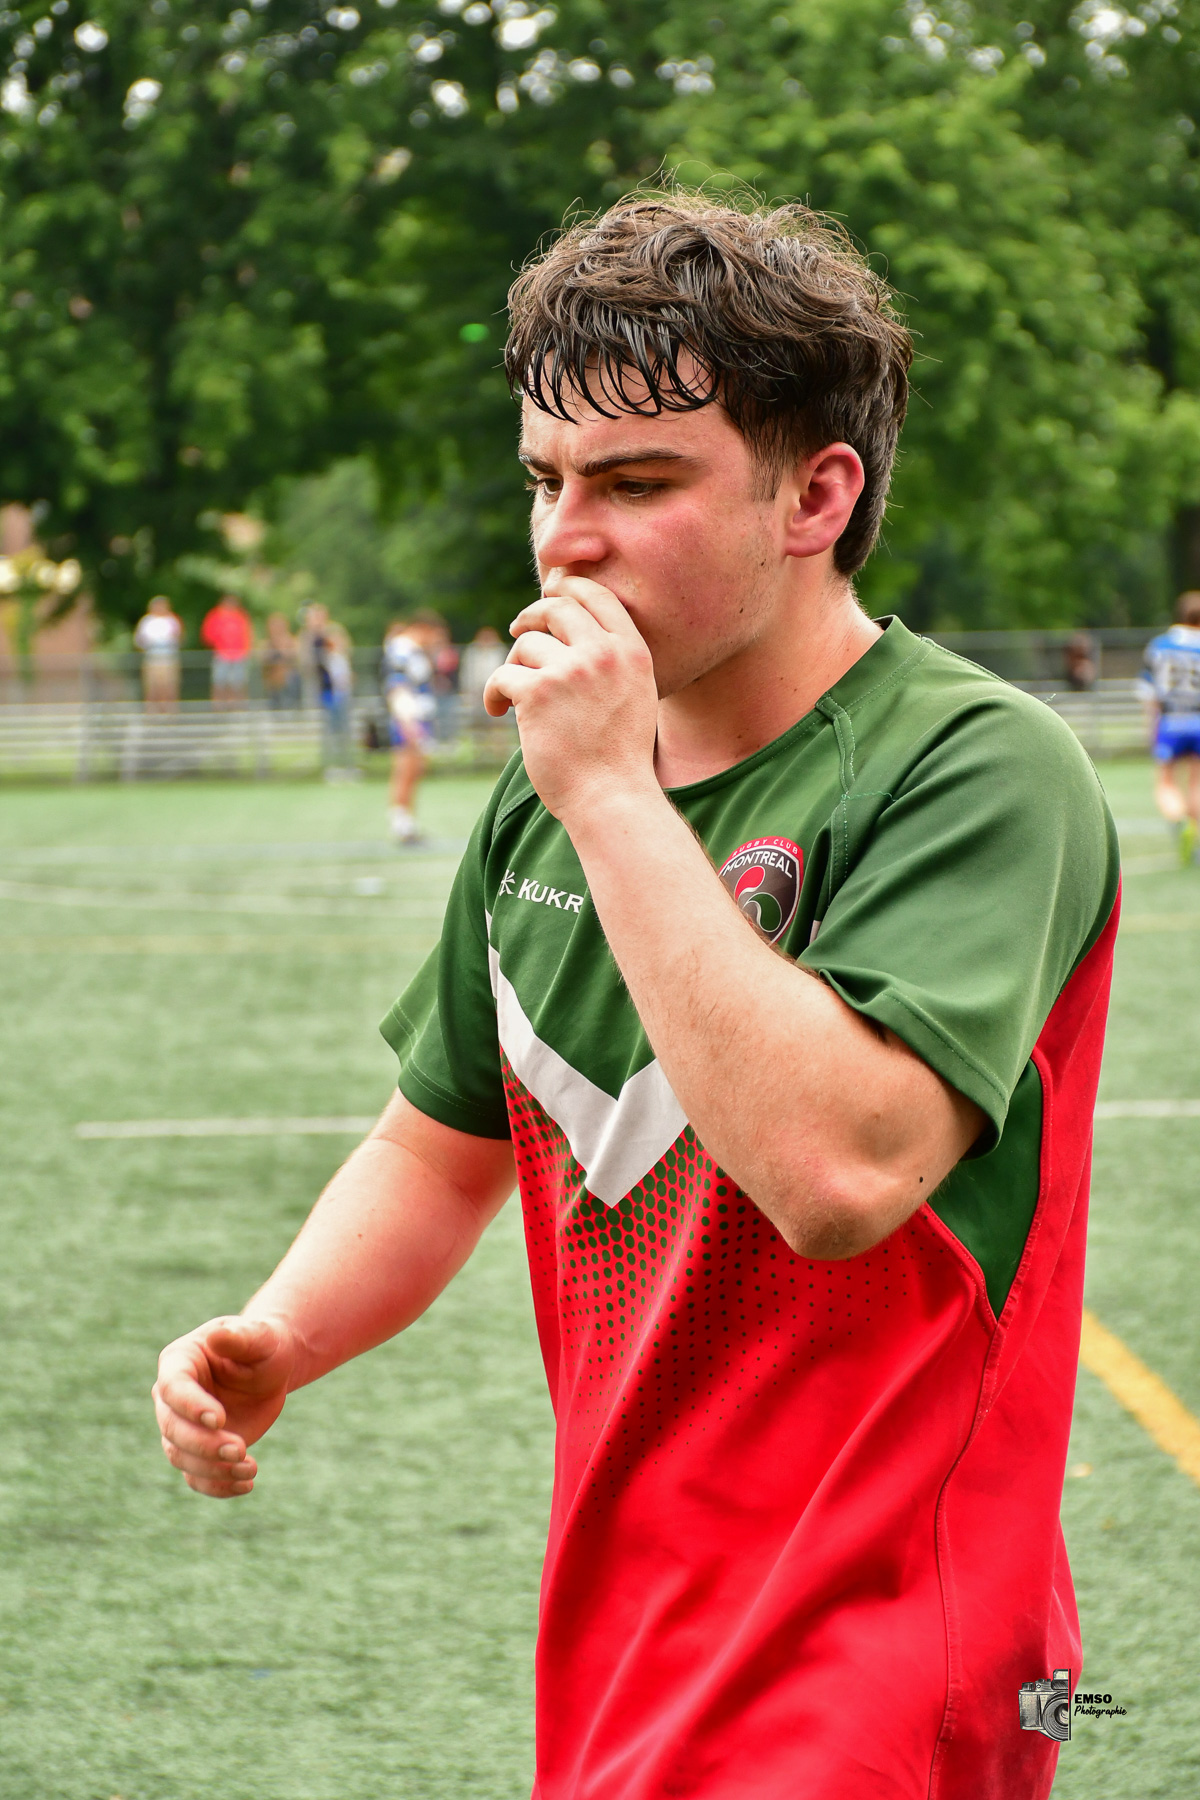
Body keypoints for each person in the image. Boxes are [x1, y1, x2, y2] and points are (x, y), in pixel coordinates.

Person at [154, 195, 1120, 1800]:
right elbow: (434, 1151)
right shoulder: (551, 794)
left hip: (886, 1648)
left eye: (638, 483)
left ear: (818, 496)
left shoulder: (977, 765)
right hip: (631, 1631)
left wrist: (612, 794)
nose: (565, 539)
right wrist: (285, 1333)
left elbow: (840, 1173)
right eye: (549, 479)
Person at [1139, 589, 1200, 865]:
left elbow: (1148, 692)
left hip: (1171, 720)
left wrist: (1150, 726)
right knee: (1196, 782)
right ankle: (1195, 833)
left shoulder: (1160, 646)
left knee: (1165, 783)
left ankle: (1179, 821)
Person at [380, 612, 441, 843]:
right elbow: (397, 686)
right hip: (409, 718)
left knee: (414, 769)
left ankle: (407, 821)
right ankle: (401, 823)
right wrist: (408, 722)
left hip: (416, 717)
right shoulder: (402, 649)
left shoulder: (411, 651)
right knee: (406, 768)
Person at [316, 620, 356, 779]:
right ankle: (332, 767)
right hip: (332, 699)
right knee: (332, 734)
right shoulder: (327, 658)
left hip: (344, 698)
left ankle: (347, 766)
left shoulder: (342, 658)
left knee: (345, 734)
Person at [200, 593, 254, 709]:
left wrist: (246, 650)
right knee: (220, 681)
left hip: (239, 655)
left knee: (238, 682)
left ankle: (238, 707)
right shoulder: (215, 616)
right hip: (222, 654)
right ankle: (219, 706)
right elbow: (208, 635)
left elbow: (247, 634)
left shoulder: (241, 616)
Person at [133, 594, 183, 712]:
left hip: (168, 658)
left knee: (168, 685)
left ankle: (169, 710)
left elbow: (178, 638)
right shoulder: (147, 621)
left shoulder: (172, 620)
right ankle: (152, 710)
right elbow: (139, 640)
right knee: (152, 686)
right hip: (152, 658)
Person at [260, 612, 301, 710]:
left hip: (289, 680)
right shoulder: (267, 643)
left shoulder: (291, 641)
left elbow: (295, 655)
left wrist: (282, 649)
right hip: (273, 682)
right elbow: (262, 658)